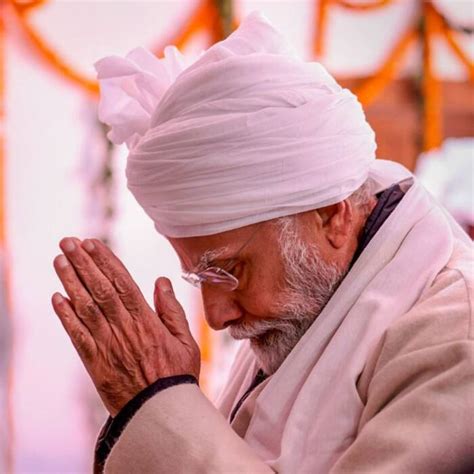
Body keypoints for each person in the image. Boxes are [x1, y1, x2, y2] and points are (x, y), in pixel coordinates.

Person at [52, 12, 473, 474]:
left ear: (332, 215)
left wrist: (159, 405)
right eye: (201, 277)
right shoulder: (313, 312)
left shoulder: (455, 344)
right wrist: (161, 409)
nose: (215, 316)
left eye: (231, 269)